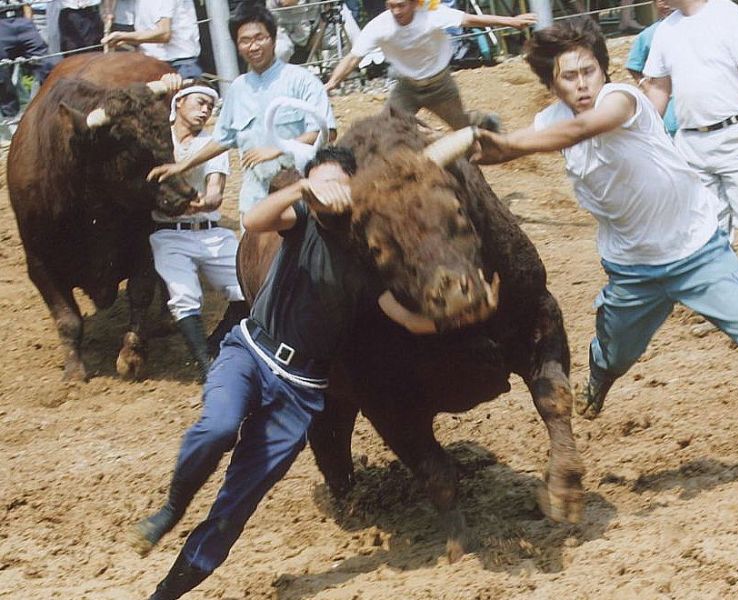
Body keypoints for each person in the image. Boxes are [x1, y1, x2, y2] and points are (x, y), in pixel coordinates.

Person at [473, 18, 738, 475]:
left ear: (604, 70)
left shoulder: (622, 100)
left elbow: (581, 130)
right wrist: (491, 143)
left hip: (696, 249)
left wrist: (507, 146)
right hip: (632, 267)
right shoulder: (548, 121)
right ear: (551, 82)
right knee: (616, 350)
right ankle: (599, 379)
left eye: (589, 71)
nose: (583, 83)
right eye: (569, 76)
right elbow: (544, 133)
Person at [133, 146, 499, 600]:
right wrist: (303, 187)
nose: (326, 192)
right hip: (249, 354)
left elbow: (406, 319)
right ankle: (172, 507)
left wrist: (464, 314)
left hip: (300, 392)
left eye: (335, 183)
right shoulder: (299, 218)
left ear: (354, 188)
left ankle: (165, 593)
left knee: (236, 506)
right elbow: (252, 221)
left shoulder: (369, 257)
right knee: (218, 426)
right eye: (318, 182)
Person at [643, 0, 738, 307]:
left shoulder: (727, 13)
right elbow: (659, 88)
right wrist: (644, 133)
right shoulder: (665, 32)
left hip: (736, 134)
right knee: (709, 232)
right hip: (690, 143)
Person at [148, 4, 337, 221]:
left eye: (260, 38)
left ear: (274, 39)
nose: (253, 46)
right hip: (254, 202)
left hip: (300, 199)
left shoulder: (302, 81)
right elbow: (222, 139)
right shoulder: (237, 89)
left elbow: (327, 132)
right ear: (237, 46)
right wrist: (182, 165)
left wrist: (276, 148)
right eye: (245, 41)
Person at [150, 81, 248, 380]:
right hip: (169, 232)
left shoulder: (212, 143)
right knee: (183, 295)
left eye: (209, 106)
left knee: (248, 288)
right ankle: (206, 366)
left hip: (211, 231)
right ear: (178, 103)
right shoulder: (156, 140)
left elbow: (216, 191)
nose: (205, 110)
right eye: (199, 102)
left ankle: (213, 344)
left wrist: (204, 202)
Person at [324, 0, 536, 130]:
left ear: (414, 3)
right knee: (385, 127)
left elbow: (470, 20)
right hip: (407, 87)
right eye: (391, 6)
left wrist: (511, 21)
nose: (396, 11)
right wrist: (331, 83)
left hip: (440, 85)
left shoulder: (433, 15)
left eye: (401, 5)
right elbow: (353, 57)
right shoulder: (379, 25)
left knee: (463, 126)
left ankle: (485, 120)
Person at [101, 0, 202, 79]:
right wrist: (124, 40)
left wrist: (123, 36)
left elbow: (164, 34)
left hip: (180, 65)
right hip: (154, 64)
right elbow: (150, 35)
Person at [625, 0, 677, 137]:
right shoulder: (648, 34)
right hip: (667, 104)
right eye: (661, 1)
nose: (666, 4)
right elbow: (633, 64)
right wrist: (645, 85)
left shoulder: (689, 27)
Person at [0, 0, 54, 119]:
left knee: (47, 65)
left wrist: (28, 21)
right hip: (1, 23)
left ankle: (53, 106)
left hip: (22, 21)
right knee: (2, 75)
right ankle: (11, 117)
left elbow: (26, 3)